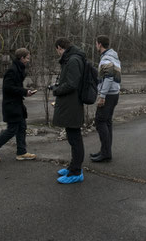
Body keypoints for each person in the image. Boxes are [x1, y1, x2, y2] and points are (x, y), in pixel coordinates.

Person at [0, 48, 37, 162]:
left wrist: (25, 92)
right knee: (12, 129)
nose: (28, 60)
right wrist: (24, 91)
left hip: (16, 104)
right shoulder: (13, 70)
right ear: (22, 58)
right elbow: (8, 88)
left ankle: (21, 152)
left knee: (22, 127)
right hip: (11, 105)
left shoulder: (18, 69)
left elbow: (14, 87)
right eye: (27, 58)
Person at [52, 37, 86, 184]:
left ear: (60, 48)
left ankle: (76, 172)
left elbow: (72, 83)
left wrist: (57, 90)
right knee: (73, 137)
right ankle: (73, 166)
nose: (58, 53)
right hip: (70, 104)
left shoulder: (72, 60)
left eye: (57, 50)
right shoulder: (72, 58)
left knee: (75, 138)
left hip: (72, 104)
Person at [91, 35, 121, 163]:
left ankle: (105, 153)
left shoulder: (106, 58)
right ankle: (105, 151)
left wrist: (102, 95)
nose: (96, 46)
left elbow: (108, 78)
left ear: (99, 44)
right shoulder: (113, 56)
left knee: (100, 121)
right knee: (107, 122)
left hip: (108, 95)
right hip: (114, 93)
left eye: (96, 44)